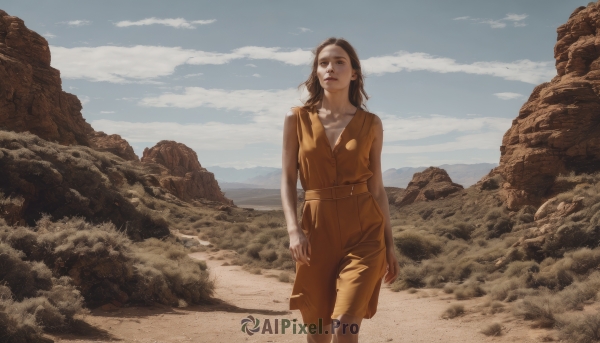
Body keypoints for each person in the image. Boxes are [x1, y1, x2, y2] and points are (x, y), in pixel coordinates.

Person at [280, 37, 399, 343]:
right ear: (316, 73)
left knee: (345, 326)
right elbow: (287, 179)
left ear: (354, 73)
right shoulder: (296, 118)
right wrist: (294, 230)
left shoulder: (371, 124)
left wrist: (390, 244)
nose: (330, 68)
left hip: (364, 231)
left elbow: (377, 188)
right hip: (315, 231)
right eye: (323, 63)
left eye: (339, 62)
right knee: (318, 334)